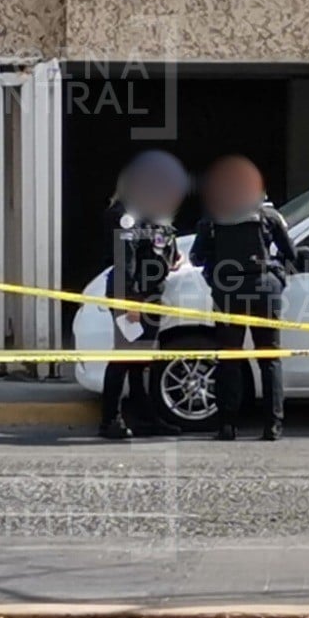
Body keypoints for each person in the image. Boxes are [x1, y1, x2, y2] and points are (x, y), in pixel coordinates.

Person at [191, 156, 297, 441]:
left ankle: (227, 426)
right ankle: (272, 426)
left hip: (228, 293)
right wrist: (277, 272)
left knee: (230, 358)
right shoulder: (269, 215)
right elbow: (292, 253)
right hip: (264, 291)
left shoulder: (214, 216)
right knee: (269, 357)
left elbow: (197, 256)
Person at [99, 150, 190, 439]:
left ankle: (145, 418)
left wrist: (175, 259)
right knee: (124, 358)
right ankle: (109, 421)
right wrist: (130, 303)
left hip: (151, 297)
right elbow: (125, 262)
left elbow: (167, 251)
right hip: (132, 298)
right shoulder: (126, 216)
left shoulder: (157, 215)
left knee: (140, 361)